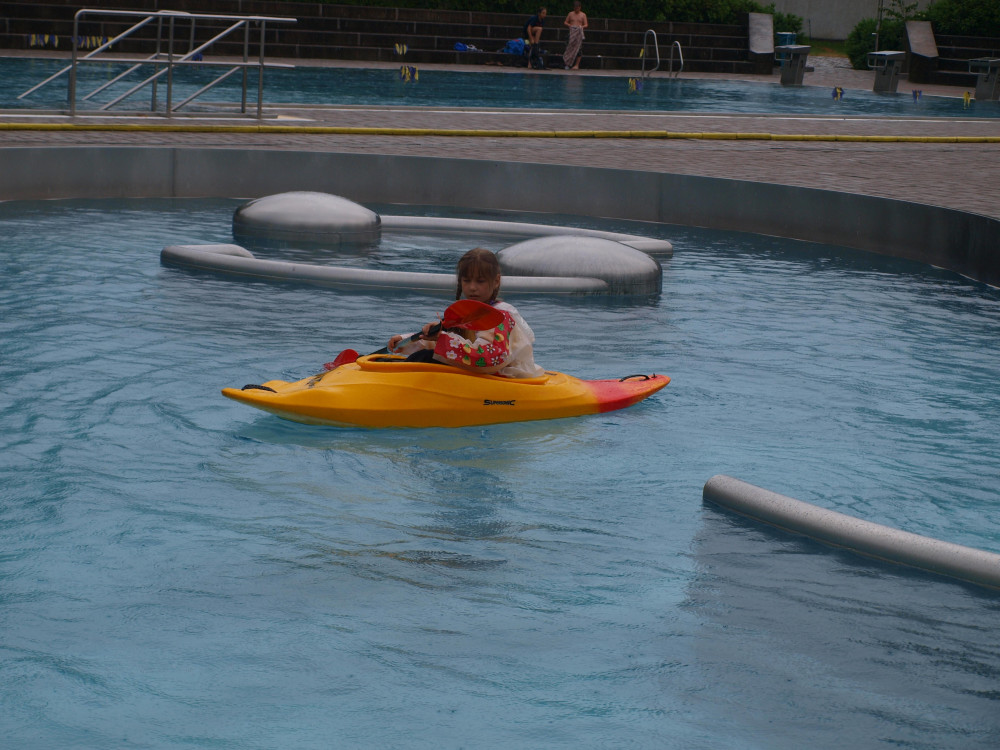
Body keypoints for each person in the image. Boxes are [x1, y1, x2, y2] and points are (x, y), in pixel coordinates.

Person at [387, 248, 545, 378]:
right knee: (424, 356)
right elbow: (444, 342)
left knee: (426, 358)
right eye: (467, 281)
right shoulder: (466, 312)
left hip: (505, 378)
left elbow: (490, 359)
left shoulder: (500, 316)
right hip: (479, 375)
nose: (472, 287)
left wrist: (442, 339)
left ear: (496, 281)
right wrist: (405, 341)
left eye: (480, 281)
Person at [562, 1, 587, 70]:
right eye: (575, 8)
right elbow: (565, 22)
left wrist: (581, 27)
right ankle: (567, 63)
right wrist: (570, 25)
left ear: (580, 7)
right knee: (569, 48)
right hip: (572, 32)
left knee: (579, 49)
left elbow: (586, 24)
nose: (576, 9)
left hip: (578, 33)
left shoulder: (583, 15)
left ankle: (576, 65)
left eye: (577, 8)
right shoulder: (570, 14)